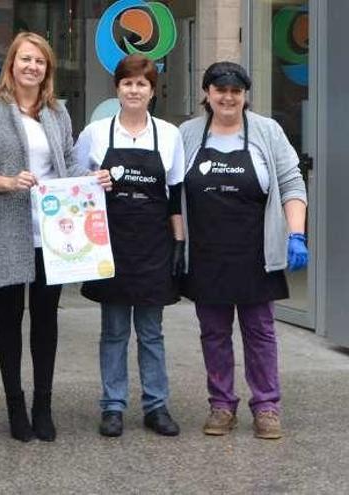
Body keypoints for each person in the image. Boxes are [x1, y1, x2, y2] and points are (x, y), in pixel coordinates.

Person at [0, 32, 111, 442]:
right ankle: (15, 405)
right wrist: (3, 181)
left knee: (46, 319)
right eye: (25, 59)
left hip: (53, 232)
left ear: (47, 70)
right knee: (8, 318)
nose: (32, 67)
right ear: (11, 64)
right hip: (6, 225)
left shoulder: (57, 114)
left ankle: (42, 405)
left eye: (40, 62)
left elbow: (66, 168)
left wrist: (93, 179)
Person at [179, 61, 308, 439]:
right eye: (220, 90)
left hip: (257, 251)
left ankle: (267, 406)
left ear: (244, 95)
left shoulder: (267, 131)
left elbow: (291, 183)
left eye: (236, 91)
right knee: (213, 332)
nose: (228, 97)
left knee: (260, 331)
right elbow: (172, 188)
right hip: (206, 253)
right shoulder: (188, 133)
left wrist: (295, 234)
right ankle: (221, 405)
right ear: (207, 94)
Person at [74, 54, 185, 438]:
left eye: (142, 84)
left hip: (154, 245)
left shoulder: (169, 135)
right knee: (114, 329)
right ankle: (113, 406)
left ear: (152, 91)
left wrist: (179, 246)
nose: (134, 90)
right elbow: (74, 184)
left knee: (152, 331)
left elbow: (175, 197)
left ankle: (156, 405)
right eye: (128, 83)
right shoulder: (96, 133)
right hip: (111, 243)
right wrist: (92, 180)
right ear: (117, 88)